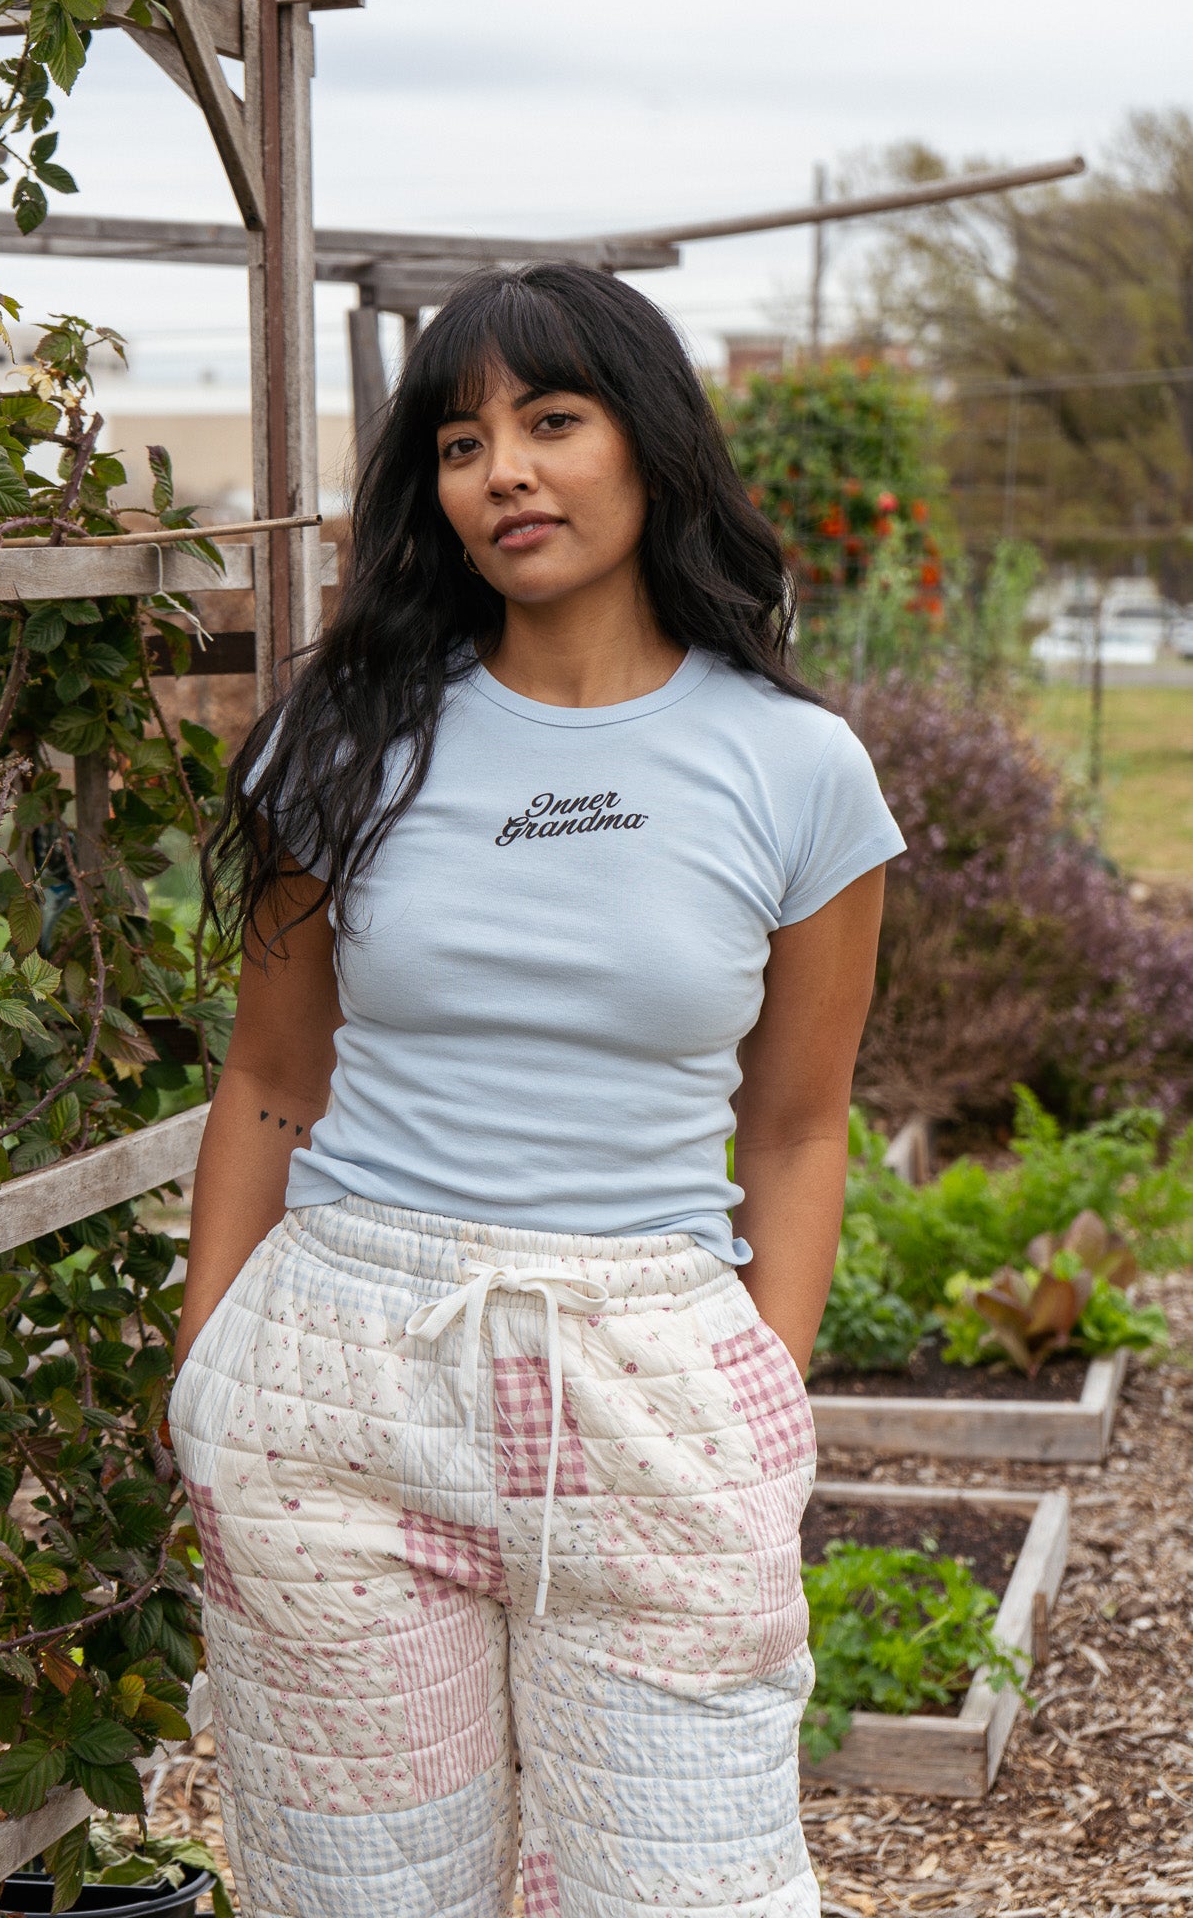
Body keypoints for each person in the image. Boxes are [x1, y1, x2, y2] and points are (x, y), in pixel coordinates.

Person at [169, 263, 905, 1918]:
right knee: (361, 1892)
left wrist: (761, 1403)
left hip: (650, 1376)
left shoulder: (795, 770)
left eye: (550, 421)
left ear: (649, 448)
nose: (500, 469)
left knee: (686, 1888)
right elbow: (273, 1074)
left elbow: (792, 1121)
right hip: (337, 1378)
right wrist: (204, 1360)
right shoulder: (347, 740)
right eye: (457, 439)